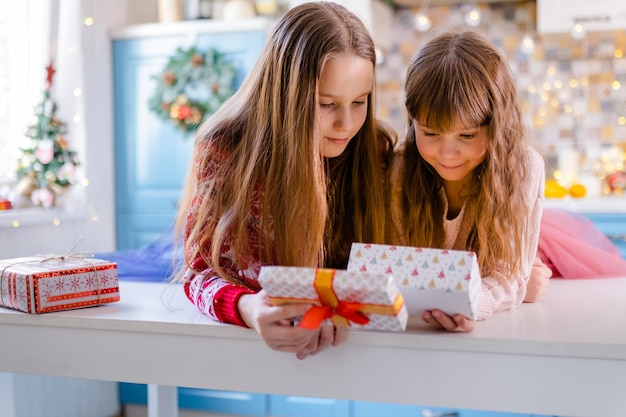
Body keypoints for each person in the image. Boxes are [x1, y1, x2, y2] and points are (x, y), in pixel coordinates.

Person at [175, 2, 395, 359]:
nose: (347, 125)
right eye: (326, 104)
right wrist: (248, 308)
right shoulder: (226, 150)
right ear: (284, 96)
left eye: (360, 101)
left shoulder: (375, 151)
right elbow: (197, 274)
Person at [390, 29, 551, 333]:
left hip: (530, 238)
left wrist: (477, 301)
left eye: (467, 135)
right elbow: (400, 267)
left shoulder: (524, 169)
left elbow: (509, 275)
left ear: (497, 125)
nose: (448, 153)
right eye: (430, 133)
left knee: (534, 275)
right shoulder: (399, 170)